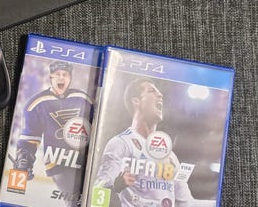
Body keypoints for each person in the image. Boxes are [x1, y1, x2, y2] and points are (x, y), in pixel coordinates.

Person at [93, 77, 216, 207]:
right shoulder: (121, 143)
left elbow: (186, 204)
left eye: (159, 92)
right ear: (136, 101)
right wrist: (117, 185)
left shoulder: (170, 156)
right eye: (152, 91)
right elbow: (99, 192)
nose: (160, 95)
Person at [13, 61, 94, 207]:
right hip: (58, 161)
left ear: (70, 78)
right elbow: (31, 137)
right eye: (57, 74)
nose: (61, 78)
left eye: (65, 75)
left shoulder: (83, 98)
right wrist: (24, 159)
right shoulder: (36, 103)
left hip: (83, 159)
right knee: (74, 201)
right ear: (51, 77)